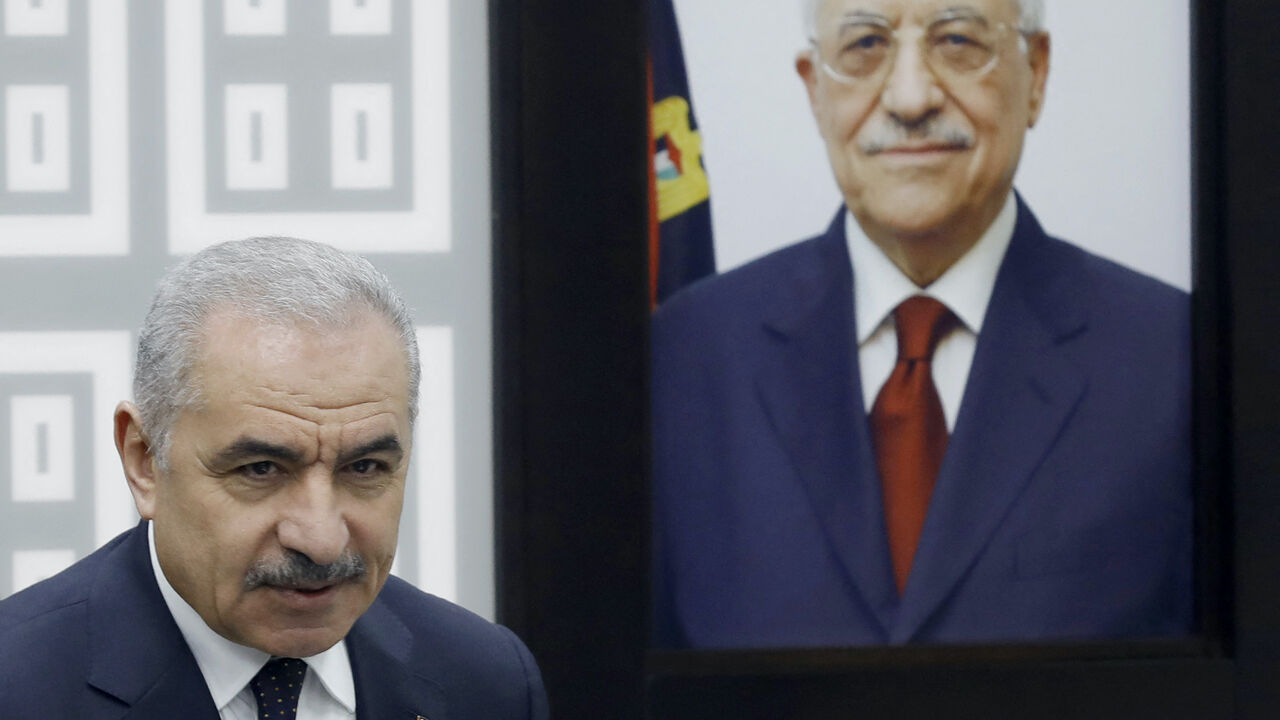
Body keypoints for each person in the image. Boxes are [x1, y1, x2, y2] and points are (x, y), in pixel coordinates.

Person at [652, 0, 1193, 648]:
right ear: (814, 89)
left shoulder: (1178, 364)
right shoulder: (681, 364)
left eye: (958, 40)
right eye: (865, 46)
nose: (910, 98)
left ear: (1037, 74)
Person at [0, 238, 548, 718]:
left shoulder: (487, 680)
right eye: (261, 470)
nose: (321, 538)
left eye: (364, 468)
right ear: (144, 460)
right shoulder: (18, 688)